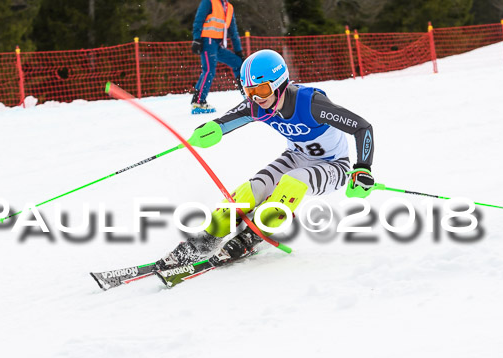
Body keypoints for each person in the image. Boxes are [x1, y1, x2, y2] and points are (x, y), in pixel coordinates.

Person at [157, 49, 375, 270]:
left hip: (333, 166)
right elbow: (223, 124)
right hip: (295, 157)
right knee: (252, 189)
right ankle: (207, 238)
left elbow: (362, 127)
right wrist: (208, 132)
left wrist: (363, 169)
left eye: (262, 89)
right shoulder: (257, 105)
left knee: (293, 182)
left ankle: (252, 237)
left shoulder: (310, 104)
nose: (256, 98)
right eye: (249, 91)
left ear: (280, 83)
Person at [190, 0, 245, 114]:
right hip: (207, 41)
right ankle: (199, 102)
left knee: (238, 63)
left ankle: (247, 95)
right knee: (209, 70)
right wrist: (196, 39)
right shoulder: (209, 2)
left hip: (217, 45)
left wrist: (238, 51)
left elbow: (233, 32)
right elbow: (198, 20)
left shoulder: (229, 7)